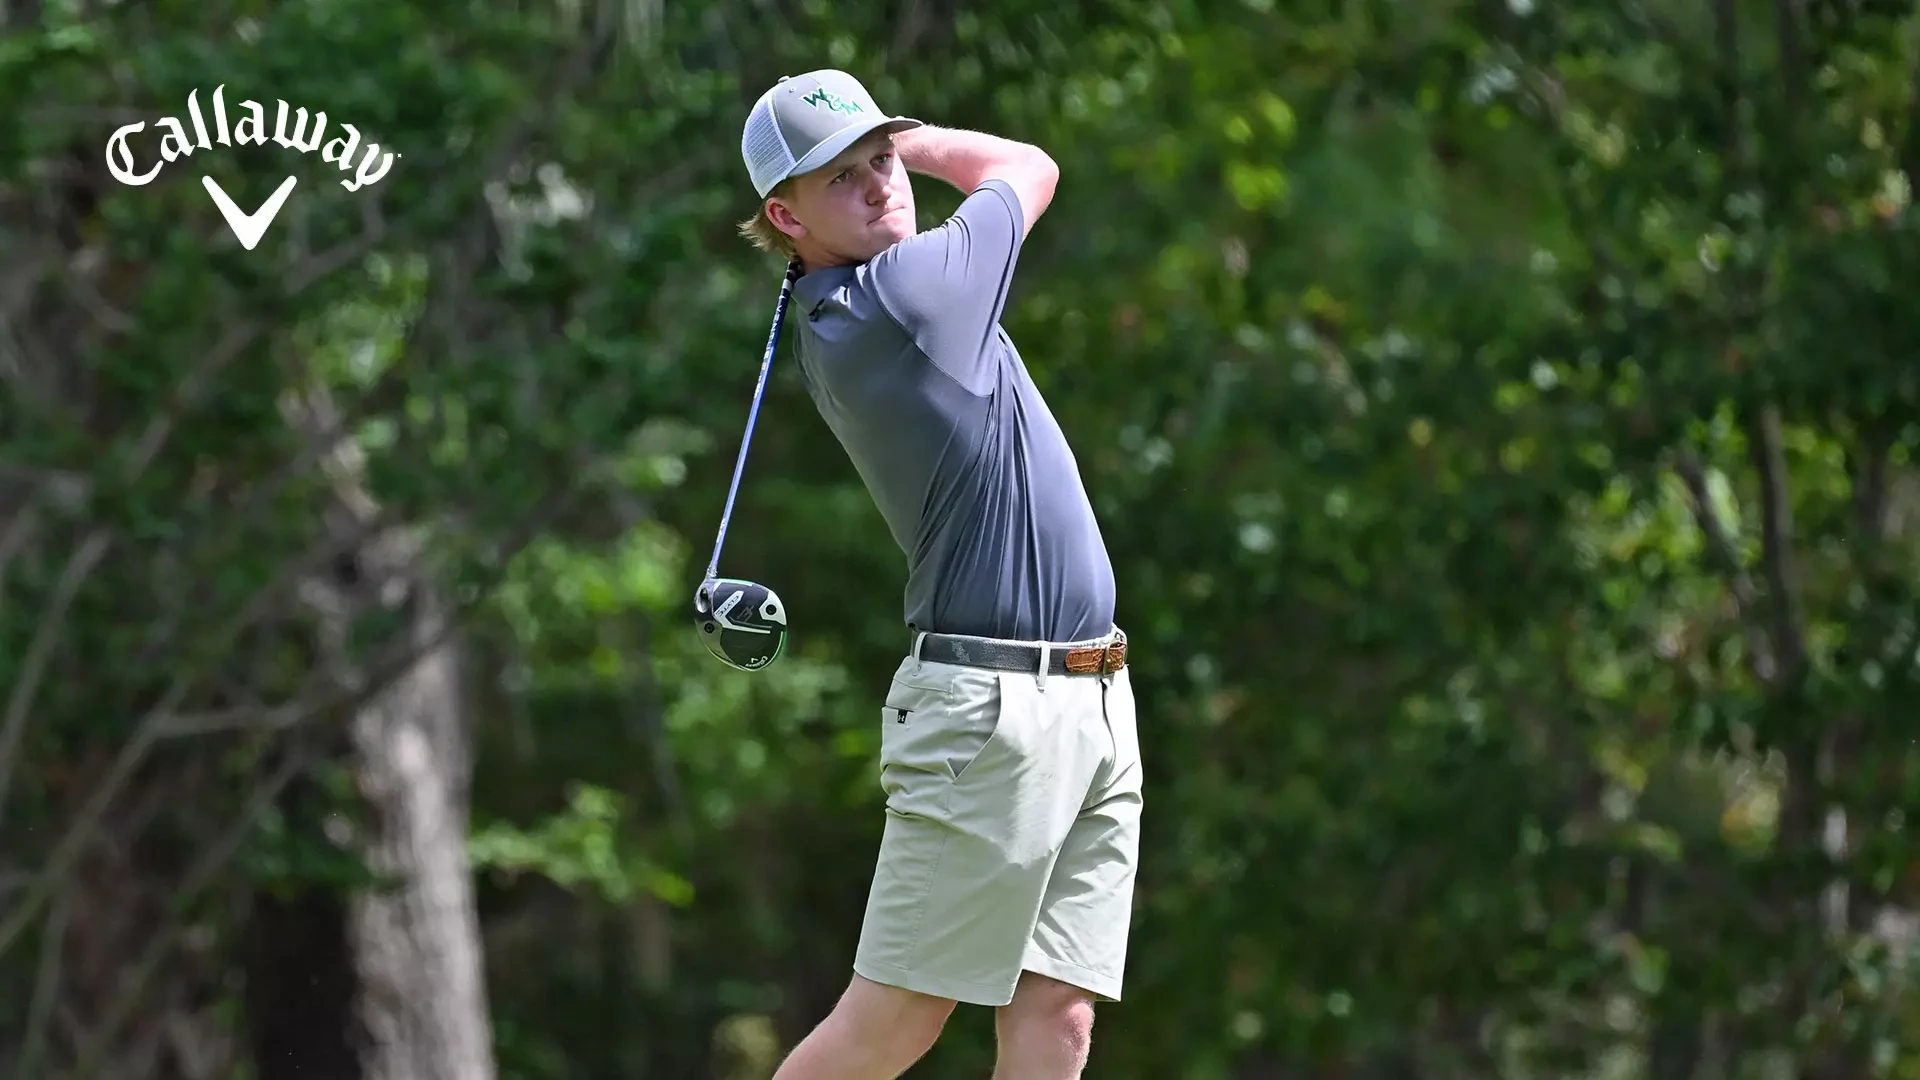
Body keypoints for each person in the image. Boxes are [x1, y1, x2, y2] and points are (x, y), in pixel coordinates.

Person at [736, 68, 1144, 1080]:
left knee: (1059, 1017)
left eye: (883, 160)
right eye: (846, 178)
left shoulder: (869, 292)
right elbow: (1027, 166)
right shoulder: (904, 298)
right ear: (786, 216)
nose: (881, 186)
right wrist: (915, 142)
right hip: (991, 712)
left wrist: (872, 146)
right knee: (893, 1026)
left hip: (1092, 696)